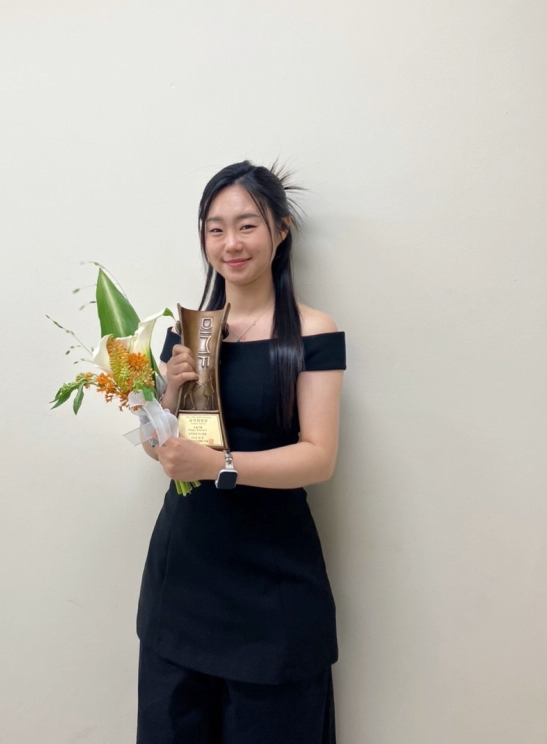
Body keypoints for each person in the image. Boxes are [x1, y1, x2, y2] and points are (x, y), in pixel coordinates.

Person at [136, 160, 347, 743]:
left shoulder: (312, 331)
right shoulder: (190, 331)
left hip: (272, 581)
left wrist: (220, 466)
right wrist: (168, 394)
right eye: (216, 228)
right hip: (184, 577)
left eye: (247, 225)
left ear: (280, 230)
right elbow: (164, 449)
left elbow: (319, 457)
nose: (231, 243)